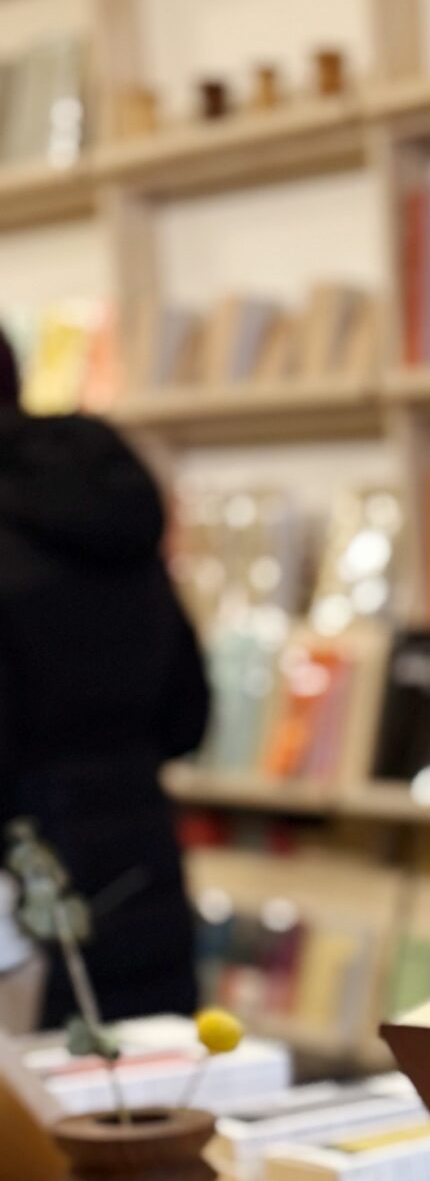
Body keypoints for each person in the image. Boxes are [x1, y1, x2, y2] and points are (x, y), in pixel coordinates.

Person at [0, 325, 207, 1023]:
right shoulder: (111, 508)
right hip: (142, 865)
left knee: (36, 1085)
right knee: (149, 1072)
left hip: (23, 896)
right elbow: (188, 715)